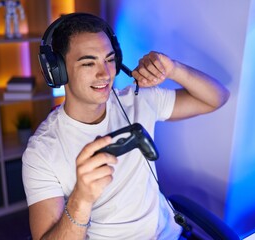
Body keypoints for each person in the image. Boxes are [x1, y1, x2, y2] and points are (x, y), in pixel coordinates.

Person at [22, 13, 230, 240]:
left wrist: (172, 69)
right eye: (89, 63)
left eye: (110, 59)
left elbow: (217, 98)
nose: (105, 74)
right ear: (58, 71)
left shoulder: (138, 99)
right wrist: (81, 199)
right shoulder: (41, 152)